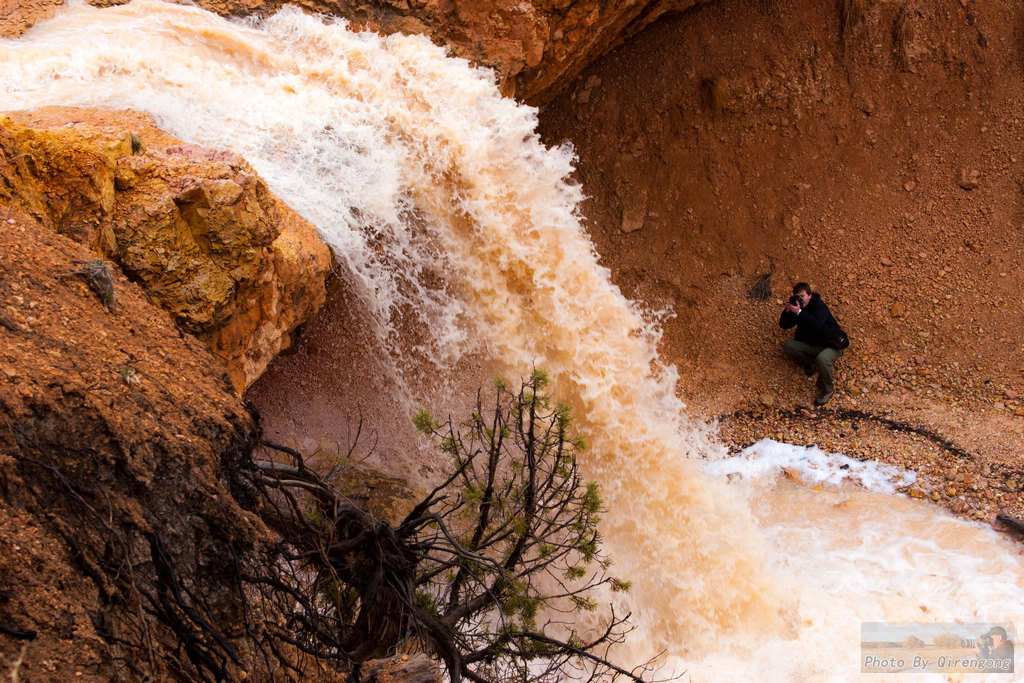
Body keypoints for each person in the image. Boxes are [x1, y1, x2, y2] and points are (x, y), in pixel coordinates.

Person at [779, 282, 844, 406]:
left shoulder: (819, 306)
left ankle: (827, 390)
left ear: (809, 295)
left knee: (823, 358)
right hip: (813, 345)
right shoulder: (799, 308)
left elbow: (817, 323)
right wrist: (788, 310)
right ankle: (812, 364)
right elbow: (784, 325)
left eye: (802, 296)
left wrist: (799, 313)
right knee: (789, 346)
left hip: (831, 345)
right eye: (797, 296)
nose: (800, 299)